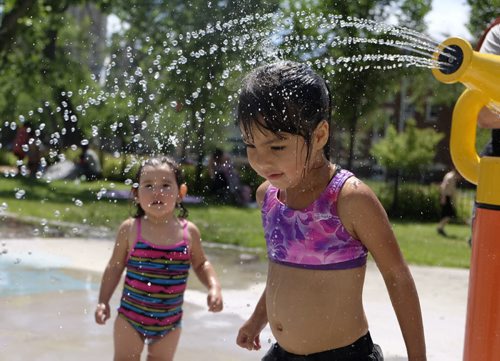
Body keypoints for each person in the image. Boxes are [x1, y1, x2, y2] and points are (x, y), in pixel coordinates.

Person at [235, 61, 426, 361]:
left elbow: (397, 277)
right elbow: (283, 274)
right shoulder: (268, 197)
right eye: (250, 144)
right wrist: (259, 318)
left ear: (320, 135)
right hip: (282, 354)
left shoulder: (348, 199)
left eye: (277, 147)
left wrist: (418, 357)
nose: (261, 161)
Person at [95, 156, 223, 361]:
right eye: (148, 185)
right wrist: (103, 301)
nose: (157, 192)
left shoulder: (188, 233)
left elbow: (201, 263)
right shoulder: (130, 229)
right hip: (130, 317)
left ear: (180, 193)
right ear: (135, 194)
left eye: (165, 185)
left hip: (169, 323)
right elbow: (115, 267)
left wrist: (214, 287)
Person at [437, 169, 459, 237]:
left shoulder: (450, 175)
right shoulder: (450, 177)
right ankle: (440, 228)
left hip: (447, 197)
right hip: (446, 197)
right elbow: (444, 186)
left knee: (447, 214)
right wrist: (443, 197)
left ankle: (440, 227)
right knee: (448, 214)